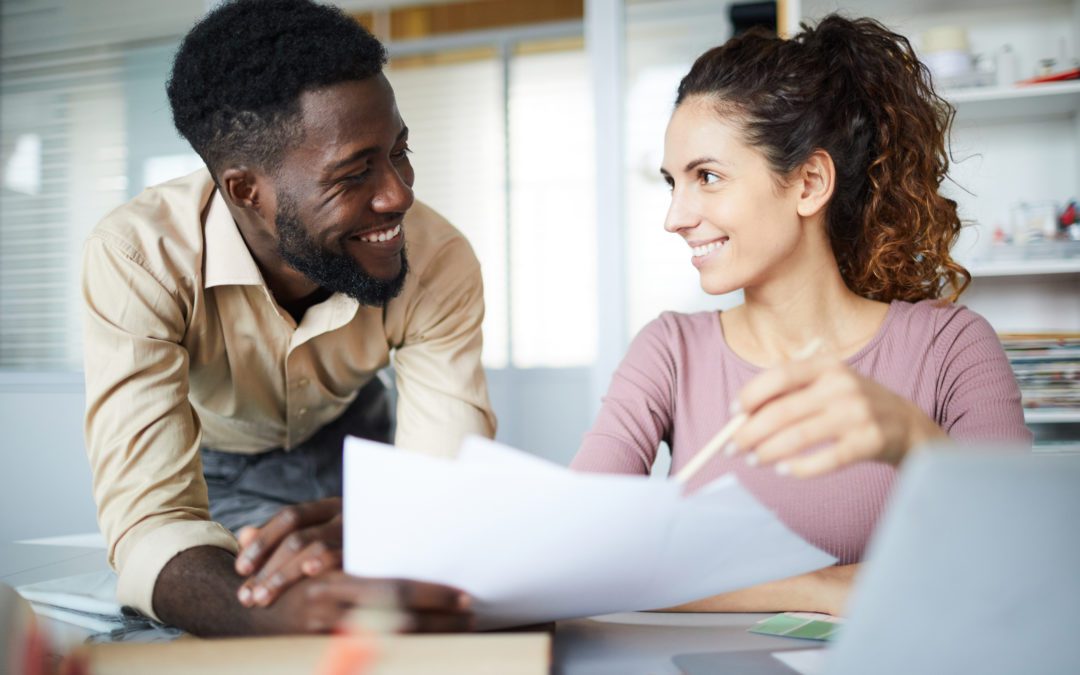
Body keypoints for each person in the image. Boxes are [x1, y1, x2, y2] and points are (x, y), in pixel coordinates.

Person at [570, 15, 1032, 616]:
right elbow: (578, 550)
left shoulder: (951, 347)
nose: (676, 217)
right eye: (672, 183)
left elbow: (1022, 561)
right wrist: (820, 588)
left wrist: (914, 441)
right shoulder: (669, 352)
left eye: (707, 177)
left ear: (809, 183)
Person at [82, 0, 493, 635]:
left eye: (399, 151)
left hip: (358, 437)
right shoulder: (139, 257)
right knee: (190, 623)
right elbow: (150, 525)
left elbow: (441, 487)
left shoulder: (439, 256)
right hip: (214, 459)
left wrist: (410, 529)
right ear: (246, 190)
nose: (399, 194)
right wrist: (274, 612)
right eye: (355, 173)